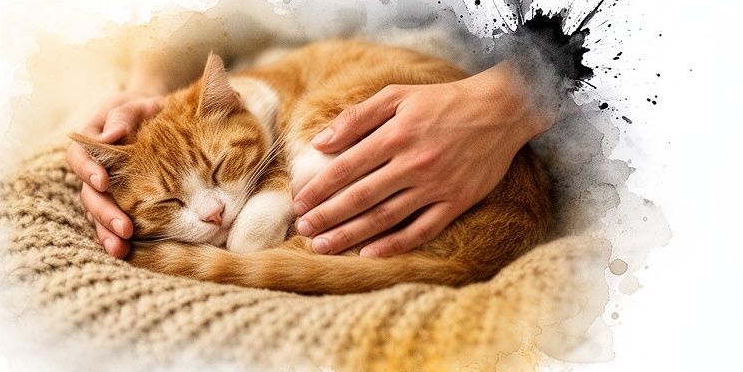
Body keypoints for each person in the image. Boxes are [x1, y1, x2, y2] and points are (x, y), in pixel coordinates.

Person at [66, 56, 557, 259]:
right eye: (168, 202)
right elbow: (187, 9)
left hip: (488, 90)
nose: (212, 213)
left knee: (314, 134)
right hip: (238, 71)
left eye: (219, 172)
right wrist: (144, 89)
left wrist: (514, 99)